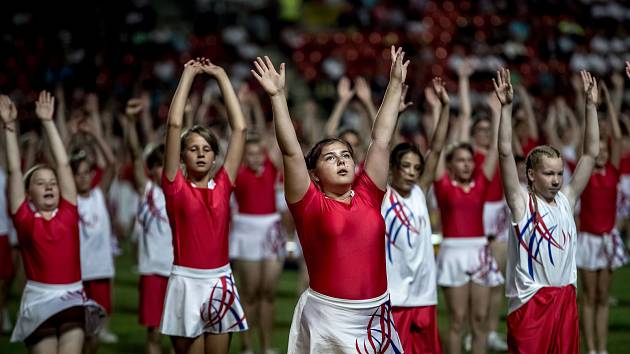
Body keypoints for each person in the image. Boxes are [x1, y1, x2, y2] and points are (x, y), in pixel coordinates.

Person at [252, 47, 407, 353]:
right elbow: (291, 151)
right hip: (330, 318)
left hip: (377, 315)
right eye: (330, 157)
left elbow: (381, 139)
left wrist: (394, 84)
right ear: (315, 173)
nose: (342, 161)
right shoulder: (309, 203)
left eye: (346, 155)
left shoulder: (368, 192)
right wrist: (277, 97)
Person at [496, 68, 600, 353]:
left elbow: (590, 153)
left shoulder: (567, 199)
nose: (556, 180)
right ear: (530, 175)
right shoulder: (521, 203)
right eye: (548, 174)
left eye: (558, 174)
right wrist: (506, 109)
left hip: (565, 299)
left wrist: (591, 106)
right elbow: (505, 153)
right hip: (531, 304)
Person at [1, 91, 103, 353]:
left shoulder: (69, 211)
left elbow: (63, 164)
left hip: (72, 299)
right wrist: (9, 127)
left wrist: (48, 122)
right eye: (40, 183)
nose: (49, 187)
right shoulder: (23, 218)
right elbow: (13, 170)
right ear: (28, 192)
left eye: (53, 183)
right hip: (39, 300)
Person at [160, 57, 248, 354]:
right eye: (193, 149)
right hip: (186, 282)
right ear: (182, 156)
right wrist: (187, 76)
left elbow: (239, 130)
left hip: (220, 279)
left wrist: (223, 77)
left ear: (214, 157)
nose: (201, 154)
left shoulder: (223, 184)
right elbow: (174, 124)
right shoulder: (175, 187)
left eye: (207, 149)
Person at [381, 77, 450, 354]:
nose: (411, 172)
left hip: (423, 294)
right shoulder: (382, 196)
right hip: (392, 296)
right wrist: (394, 115)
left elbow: (438, 148)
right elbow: (382, 146)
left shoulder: (421, 191)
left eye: (416, 167)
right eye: (405, 166)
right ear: (393, 168)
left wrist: (445, 109)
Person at [433, 86, 503, 353]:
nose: (465, 164)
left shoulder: (481, 183)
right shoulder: (443, 185)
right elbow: (437, 147)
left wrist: (497, 113)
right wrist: (443, 109)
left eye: (469, 160)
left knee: (480, 320)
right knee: (457, 321)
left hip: (479, 251)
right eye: (460, 160)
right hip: (452, 253)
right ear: (450, 164)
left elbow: (498, 148)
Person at [576, 77, 629, 354]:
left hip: (607, 239)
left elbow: (619, 137)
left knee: (601, 297)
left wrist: (607, 102)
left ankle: (603, 348)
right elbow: (589, 139)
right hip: (587, 240)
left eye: (607, 151)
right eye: (600, 149)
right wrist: (591, 106)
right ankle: (591, 348)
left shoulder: (614, 172)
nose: (603, 153)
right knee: (587, 298)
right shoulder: (584, 174)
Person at [229, 97, 284, 354]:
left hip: (271, 229)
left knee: (269, 294)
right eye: (249, 154)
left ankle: (265, 346)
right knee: (250, 293)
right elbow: (238, 138)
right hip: (246, 229)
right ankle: (247, 346)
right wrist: (243, 109)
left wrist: (254, 108)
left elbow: (268, 136)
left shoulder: (272, 166)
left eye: (257, 152)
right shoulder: (238, 172)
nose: (254, 157)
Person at [122, 98, 174, 354]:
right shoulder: (149, 190)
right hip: (153, 269)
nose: (165, 169)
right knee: (153, 333)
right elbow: (134, 152)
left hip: (178, 271)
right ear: (151, 169)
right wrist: (131, 122)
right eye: (159, 165)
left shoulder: (180, 192)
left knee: (180, 332)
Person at [70, 101, 117, 352]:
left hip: (99, 270)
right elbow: (61, 166)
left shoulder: (99, 193)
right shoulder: (68, 199)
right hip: (77, 274)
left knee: (94, 332)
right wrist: (72, 137)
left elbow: (111, 165)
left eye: (88, 172)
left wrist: (95, 135)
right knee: (77, 332)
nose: (85, 177)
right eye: (79, 173)